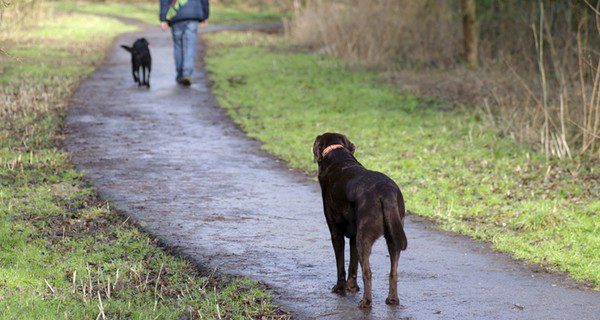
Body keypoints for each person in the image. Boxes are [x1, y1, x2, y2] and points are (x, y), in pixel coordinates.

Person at [159, 0, 209, 86]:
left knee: (177, 45)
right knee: (191, 45)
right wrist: (205, 15)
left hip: (175, 15)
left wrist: (164, 19)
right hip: (193, 14)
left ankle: (180, 74)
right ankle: (187, 73)